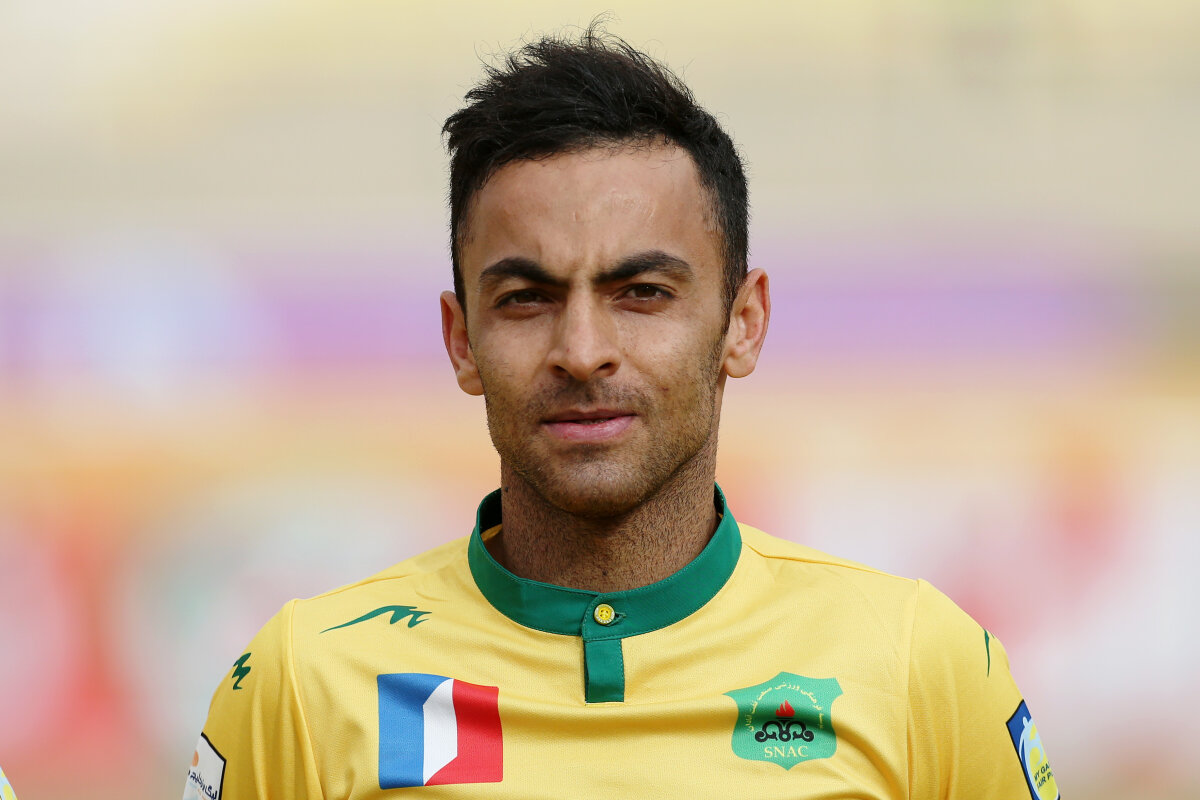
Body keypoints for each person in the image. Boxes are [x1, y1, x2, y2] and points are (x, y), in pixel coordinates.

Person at [185, 27, 1059, 800]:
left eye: (642, 292)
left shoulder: (918, 665)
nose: (582, 350)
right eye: (525, 298)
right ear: (461, 340)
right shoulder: (305, 681)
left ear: (742, 323)